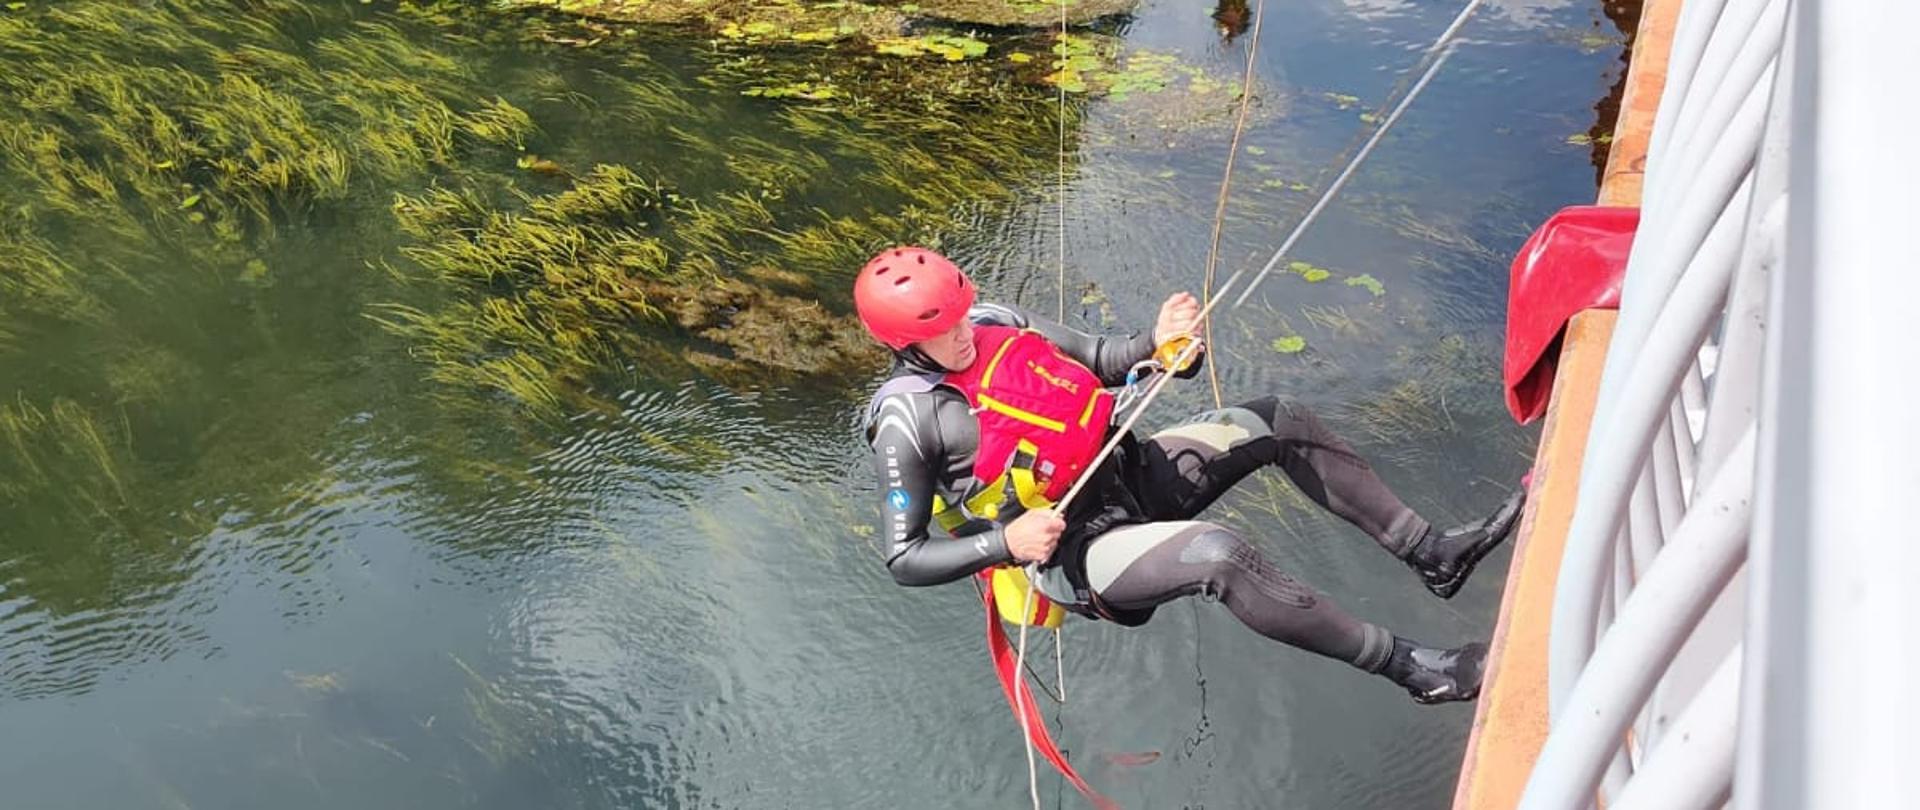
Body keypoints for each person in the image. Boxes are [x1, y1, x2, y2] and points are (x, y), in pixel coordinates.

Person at [856, 247, 1524, 703]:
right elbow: (904, 557)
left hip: (1131, 475)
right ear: (903, 344)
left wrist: (1160, 345)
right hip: (1073, 550)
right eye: (942, 332)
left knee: (1279, 419)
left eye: (959, 313)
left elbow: (1098, 358)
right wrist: (1010, 543)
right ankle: (1412, 669)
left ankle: (1431, 554)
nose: (963, 334)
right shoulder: (909, 423)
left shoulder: (994, 321)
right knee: (1219, 553)